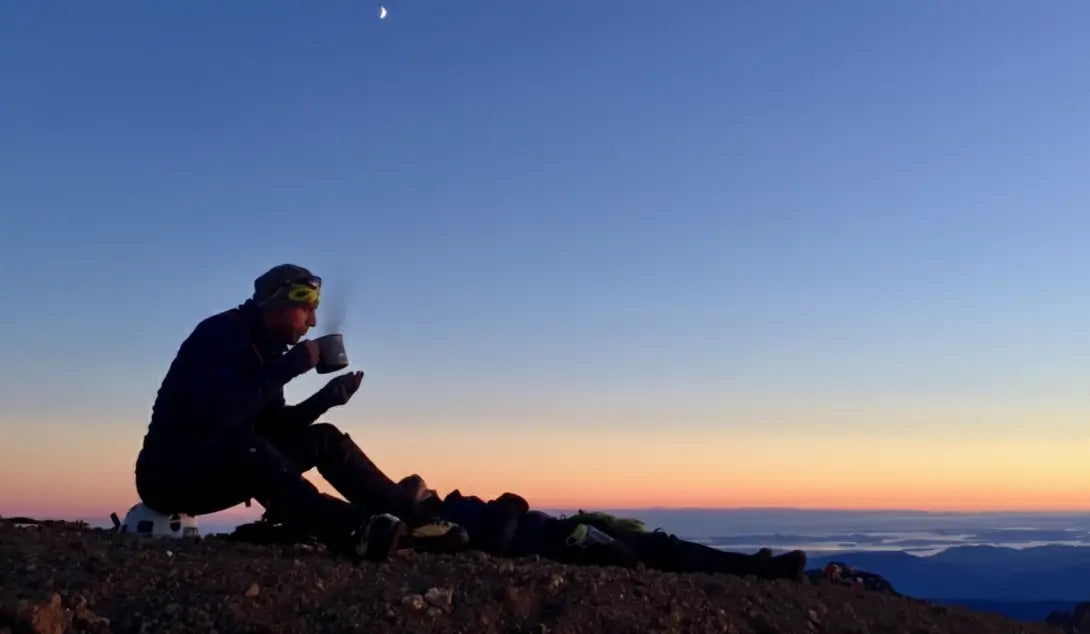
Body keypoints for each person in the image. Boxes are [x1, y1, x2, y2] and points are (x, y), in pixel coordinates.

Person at [134, 264, 463, 560]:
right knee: (246, 445)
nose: (313, 321)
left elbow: (275, 425)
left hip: (229, 461)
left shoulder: (267, 351)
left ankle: (414, 520)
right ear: (276, 302)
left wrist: (326, 399)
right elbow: (218, 418)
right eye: (306, 308)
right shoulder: (220, 335)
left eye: (315, 310)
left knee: (324, 439)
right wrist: (290, 366)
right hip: (170, 478)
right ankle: (352, 529)